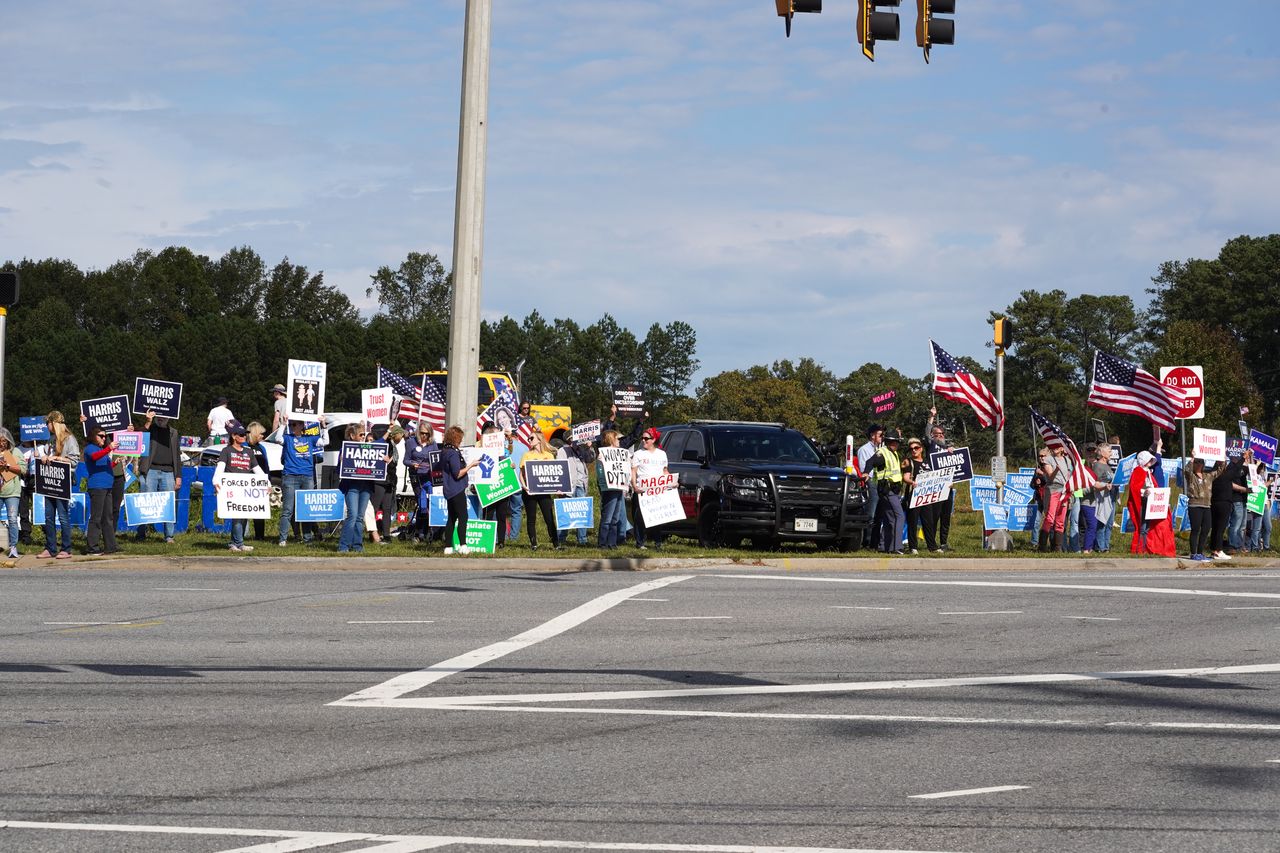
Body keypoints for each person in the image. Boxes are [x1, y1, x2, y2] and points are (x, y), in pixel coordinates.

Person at [213, 418, 266, 552]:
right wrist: (216, 482)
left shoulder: (248, 452)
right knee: (237, 517)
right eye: (241, 434)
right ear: (233, 436)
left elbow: (258, 470)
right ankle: (238, 543)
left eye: (244, 434)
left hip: (246, 489)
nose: (244, 436)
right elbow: (220, 468)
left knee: (243, 517)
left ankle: (235, 543)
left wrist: (267, 484)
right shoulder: (227, 451)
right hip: (233, 488)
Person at [273, 416, 327, 546]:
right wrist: (283, 424)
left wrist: (323, 426)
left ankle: (307, 538)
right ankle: (282, 539)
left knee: (306, 509)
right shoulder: (288, 438)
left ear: (302, 425)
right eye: (291, 425)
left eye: (294, 424)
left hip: (307, 476)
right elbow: (277, 439)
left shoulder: (310, 438)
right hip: (290, 476)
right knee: (287, 509)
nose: (292, 427)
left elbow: (325, 441)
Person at [338, 423, 391, 554]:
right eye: (361, 435)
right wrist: (341, 461)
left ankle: (357, 546)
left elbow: (380, 443)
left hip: (366, 486)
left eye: (364, 435)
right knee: (352, 515)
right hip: (352, 486)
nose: (363, 437)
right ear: (352, 436)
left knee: (360, 517)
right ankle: (344, 546)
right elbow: (338, 470)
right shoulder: (346, 449)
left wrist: (384, 460)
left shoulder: (370, 447)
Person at [37, 411, 80, 560]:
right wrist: (44, 457)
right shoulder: (51, 440)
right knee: (48, 516)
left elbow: (75, 460)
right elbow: (48, 456)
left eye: (47, 423)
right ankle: (50, 548)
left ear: (53, 423)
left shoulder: (70, 439)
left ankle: (66, 549)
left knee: (62, 516)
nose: (46, 426)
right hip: (49, 481)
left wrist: (58, 458)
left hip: (63, 482)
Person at [138, 410, 182, 543]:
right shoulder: (150, 429)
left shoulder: (173, 432)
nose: (162, 419)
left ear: (169, 418)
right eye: (159, 416)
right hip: (150, 470)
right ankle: (141, 534)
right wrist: (148, 421)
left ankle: (169, 536)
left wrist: (178, 475)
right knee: (144, 503)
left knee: (168, 506)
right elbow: (140, 436)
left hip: (169, 472)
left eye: (165, 416)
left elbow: (177, 456)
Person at [437, 425, 479, 555]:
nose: (461, 440)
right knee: (463, 517)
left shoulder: (444, 451)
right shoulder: (453, 453)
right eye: (460, 438)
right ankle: (463, 545)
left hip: (449, 489)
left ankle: (448, 546)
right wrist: (471, 465)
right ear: (456, 438)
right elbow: (457, 473)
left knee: (451, 518)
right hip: (456, 489)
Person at [1127, 447, 1175, 557]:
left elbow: (1153, 486)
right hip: (1142, 502)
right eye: (1148, 460)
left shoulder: (1148, 472)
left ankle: (1144, 548)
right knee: (1142, 527)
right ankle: (1139, 549)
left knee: (1146, 527)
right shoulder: (1138, 471)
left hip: (1150, 502)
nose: (1150, 462)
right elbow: (1134, 488)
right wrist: (1144, 492)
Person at [518, 431, 561, 551]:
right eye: (529, 438)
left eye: (531, 438)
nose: (529, 440)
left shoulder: (549, 455)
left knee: (549, 518)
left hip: (544, 491)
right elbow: (521, 473)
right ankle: (533, 544)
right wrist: (524, 486)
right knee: (531, 518)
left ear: (539, 440)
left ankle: (556, 544)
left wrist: (557, 488)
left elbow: (554, 474)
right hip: (530, 491)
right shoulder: (526, 455)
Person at [865, 429, 906, 555]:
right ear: (889, 442)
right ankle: (896, 547)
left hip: (892, 490)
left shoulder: (894, 453)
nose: (897, 444)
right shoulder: (883, 453)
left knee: (890, 519)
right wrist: (866, 472)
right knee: (899, 516)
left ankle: (884, 546)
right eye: (895, 442)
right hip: (887, 490)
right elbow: (870, 462)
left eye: (897, 442)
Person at [630, 427, 670, 550]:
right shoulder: (638, 454)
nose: (643, 440)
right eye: (642, 438)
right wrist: (634, 485)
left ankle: (658, 542)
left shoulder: (662, 454)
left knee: (657, 516)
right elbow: (633, 471)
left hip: (657, 490)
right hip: (642, 489)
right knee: (640, 517)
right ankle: (640, 542)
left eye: (646, 438)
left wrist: (671, 482)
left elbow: (665, 471)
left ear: (653, 440)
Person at [83, 421, 120, 556]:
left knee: (108, 517)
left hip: (107, 486)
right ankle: (92, 547)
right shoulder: (90, 448)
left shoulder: (101, 450)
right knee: (96, 518)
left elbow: (105, 466)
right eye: (101, 436)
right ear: (93, 436)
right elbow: (94, 457)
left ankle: (111, 546)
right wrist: (109, 448)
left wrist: (115, 463)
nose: (104, 438)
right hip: (97, 487)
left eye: (105, 436)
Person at [924, 410, 956, 550]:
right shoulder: (931, 445)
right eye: (938, 434)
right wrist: (932, 417)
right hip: (935, 486)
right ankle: (932, 543)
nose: (941, 437)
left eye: (942, 434)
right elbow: (926, 434)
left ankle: (944, 542)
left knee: (945, 517)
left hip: (948, 487)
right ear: (933, 435)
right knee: (934, 517)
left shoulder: (947, 448)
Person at [901, 437, 938, 554]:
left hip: (926, 496)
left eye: (916, 448)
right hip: (913, 495)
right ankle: (913, 547)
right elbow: (905, 477)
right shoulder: (909, 462)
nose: (914, 450)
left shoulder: (928, 462)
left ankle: (932, 547)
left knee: (928, 522)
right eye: (911, 449)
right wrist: (912, 482)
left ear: (921, 449)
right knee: (913, 522)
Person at [1183, 457, 1225, 561]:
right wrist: (1192, 458)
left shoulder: (1208, 476)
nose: (1199, 464)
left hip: (1207, 505)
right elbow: (1186, 470)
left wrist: (1222, 459)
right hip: (1195, 505)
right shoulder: (1191, 476)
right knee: (1195, 529)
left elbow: (1219, 471)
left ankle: (1200, 552)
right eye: (1197, 462)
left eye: (1201, 462)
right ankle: (1193, 553)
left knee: (1206, 529)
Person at [479, 424, 514, 547]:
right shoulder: (481, 448)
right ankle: (487, 540)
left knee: (501, 514)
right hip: (488, 487)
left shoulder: (504, 450)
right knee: (488, 513)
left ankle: (501, 542)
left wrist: (511, 466)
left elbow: (508, 462)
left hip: (501, 486)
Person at [403, 422, 438, 541]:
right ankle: (419, 533)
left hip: (428, 477)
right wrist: (413, 464)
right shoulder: (411, 442)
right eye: (422, 433)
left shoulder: (432, 444)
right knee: (421, 502)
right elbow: (405, 460)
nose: (424, 436)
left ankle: (426, 531)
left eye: (427, 434)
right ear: (418, 432)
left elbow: (436, 459)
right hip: (416, 477)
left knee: (429, 503)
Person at [372, 424, 405, 544]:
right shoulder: (384, 444)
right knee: (374, 508)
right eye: (401, 434)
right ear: (395, 434)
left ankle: (386, 535)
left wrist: (390, 461)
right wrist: (388, 461)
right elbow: (377, 452)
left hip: (390, 481)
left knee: (387, 508)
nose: (402, 437)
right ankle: (373, 533)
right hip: (380, 480)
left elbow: (393, 462)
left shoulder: (394, 446)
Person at [596, 429, 629, 549]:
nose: (619, 441)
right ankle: (602, 543)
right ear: (611, 439)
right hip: (609, 489)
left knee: (615, 518)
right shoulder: (603, 454)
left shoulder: (621, 453)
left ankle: (612, 543)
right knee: (607, 517)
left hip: (619, 487)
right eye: (617, 438)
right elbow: (600, 472)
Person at [556, 438, 592, 546]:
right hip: (569, 485)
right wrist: (560, 486)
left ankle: (582, 540)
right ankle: (561, 539)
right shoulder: (563, 450)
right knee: (566, 513)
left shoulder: (582, 449)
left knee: (582, 512)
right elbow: (559, 468)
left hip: (581, 484)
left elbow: (591, 458)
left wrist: (589, 447)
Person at [1079, 444, 1114, 554]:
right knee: (1095, 525)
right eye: (1109, 451)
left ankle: (1103, 546)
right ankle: (1094, 548)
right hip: (1093, 501)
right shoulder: (1097, 467)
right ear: (1103, 454)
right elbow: (1095, 483)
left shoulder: (1108, 466)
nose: (1111, 453)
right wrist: (1104, 486)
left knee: (1107, 524)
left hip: (1106, 498)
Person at [1209, 453, 1244, 560]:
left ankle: (1214, 550)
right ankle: (1218, 550)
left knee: (1215, 527)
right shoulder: (1225, 475)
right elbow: (1236, 468)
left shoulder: (1212, 474)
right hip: (1224, 503)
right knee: (1220, 528)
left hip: (1214, 503)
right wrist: (1243, 458)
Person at [856, 424, 884, 549]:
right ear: (873, 436)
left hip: (881, 482)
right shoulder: (864, 450)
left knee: (880, 513)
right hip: (871, 482)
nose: (882, 438)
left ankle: (876, 541)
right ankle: (866, 541)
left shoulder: (882, 449)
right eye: (880, 435)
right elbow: (864, 469)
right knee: (870, 513)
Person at [1040, 445, 1072, 552]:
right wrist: (1056, 470)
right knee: (1050, 517)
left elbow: (1070, 475)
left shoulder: (1067, 460)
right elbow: (1050, 477)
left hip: (1064, 491)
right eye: (1053, 446)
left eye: (1058, 446)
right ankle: (1042, 546)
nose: (1055, 448)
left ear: (1063, 448)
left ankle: (1057, 548)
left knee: (1061, 520)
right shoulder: (1048, 459)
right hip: (1053, 490)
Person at [0, 428, 25, 558]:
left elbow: (23, 470)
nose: (2, 443)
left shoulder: (16, 452)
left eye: (4, 440)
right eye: (0, 441)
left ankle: (13, 547)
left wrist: (7, 466)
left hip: (12, 492)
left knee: (12, 519)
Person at [245, 422, 271, 542]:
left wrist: (268, 481)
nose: (263, 436)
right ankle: (242, 535)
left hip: (260, 483)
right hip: (246, 482)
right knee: (244, 509)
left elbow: (266, 465)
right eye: (261, 434)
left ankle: (260, 536)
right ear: (255, 433)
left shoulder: (262, 447)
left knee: (259, 510)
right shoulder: (244, 446)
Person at [1029, 448, 1052, 550]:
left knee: (1049, 521)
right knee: (1036, 521)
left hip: (1048, 498)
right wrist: (1036, 482)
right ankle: (1034, 541)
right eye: (1040, 456)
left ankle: (1051, 542)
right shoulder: (1037, 468)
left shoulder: (1051, 467)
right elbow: (1031, 485)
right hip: (1039, 498)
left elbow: (1051, 481)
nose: (1041, 458)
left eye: (1043, 456)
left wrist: (1042, 475)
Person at [1229, 450, 1251, 553]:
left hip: (1243, 500)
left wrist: (1250, 456)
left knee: (1242, 526)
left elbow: (1252, 471)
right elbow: (1232, 485)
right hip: (1236, 499)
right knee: (1236, 524)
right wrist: (1245, 490)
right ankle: (1233, 545)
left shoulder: (1243, 467)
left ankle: (1240, 545)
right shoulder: (1231, 468)